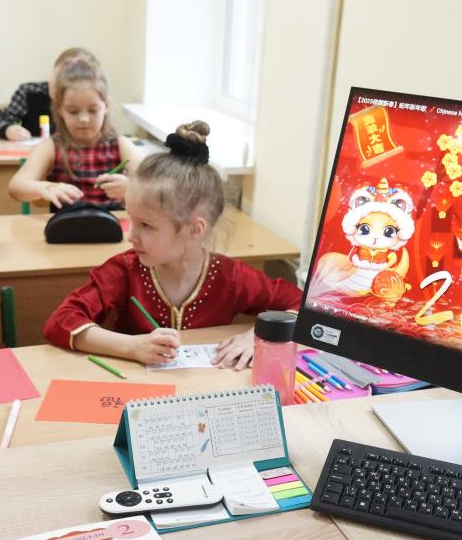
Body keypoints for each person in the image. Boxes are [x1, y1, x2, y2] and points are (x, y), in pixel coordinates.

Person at [44, 121, 302, 370]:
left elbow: (304, 306)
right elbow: (61, 321)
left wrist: (260, 335)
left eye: (146, 225)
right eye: (131, 220)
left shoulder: (230, 276)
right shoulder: (124, 270)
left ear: (194, 229)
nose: (131, 236)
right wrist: (132, 347)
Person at [8, 57, 140, 211]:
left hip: (112, 224)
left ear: (106, 106)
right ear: (59, 109)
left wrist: (131, 188)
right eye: (73, 111)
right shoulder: (51, 147)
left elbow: (154, 186)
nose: (84, 119)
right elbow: (16, 187)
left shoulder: (120, 144)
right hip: (66, 224)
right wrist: (48, 187)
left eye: (93, 110)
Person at [0, 47, 97, 141]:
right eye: (57, 75)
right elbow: (0, 121)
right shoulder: (29, 91)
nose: (58, 84)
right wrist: (8, 130)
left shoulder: (91, 101)